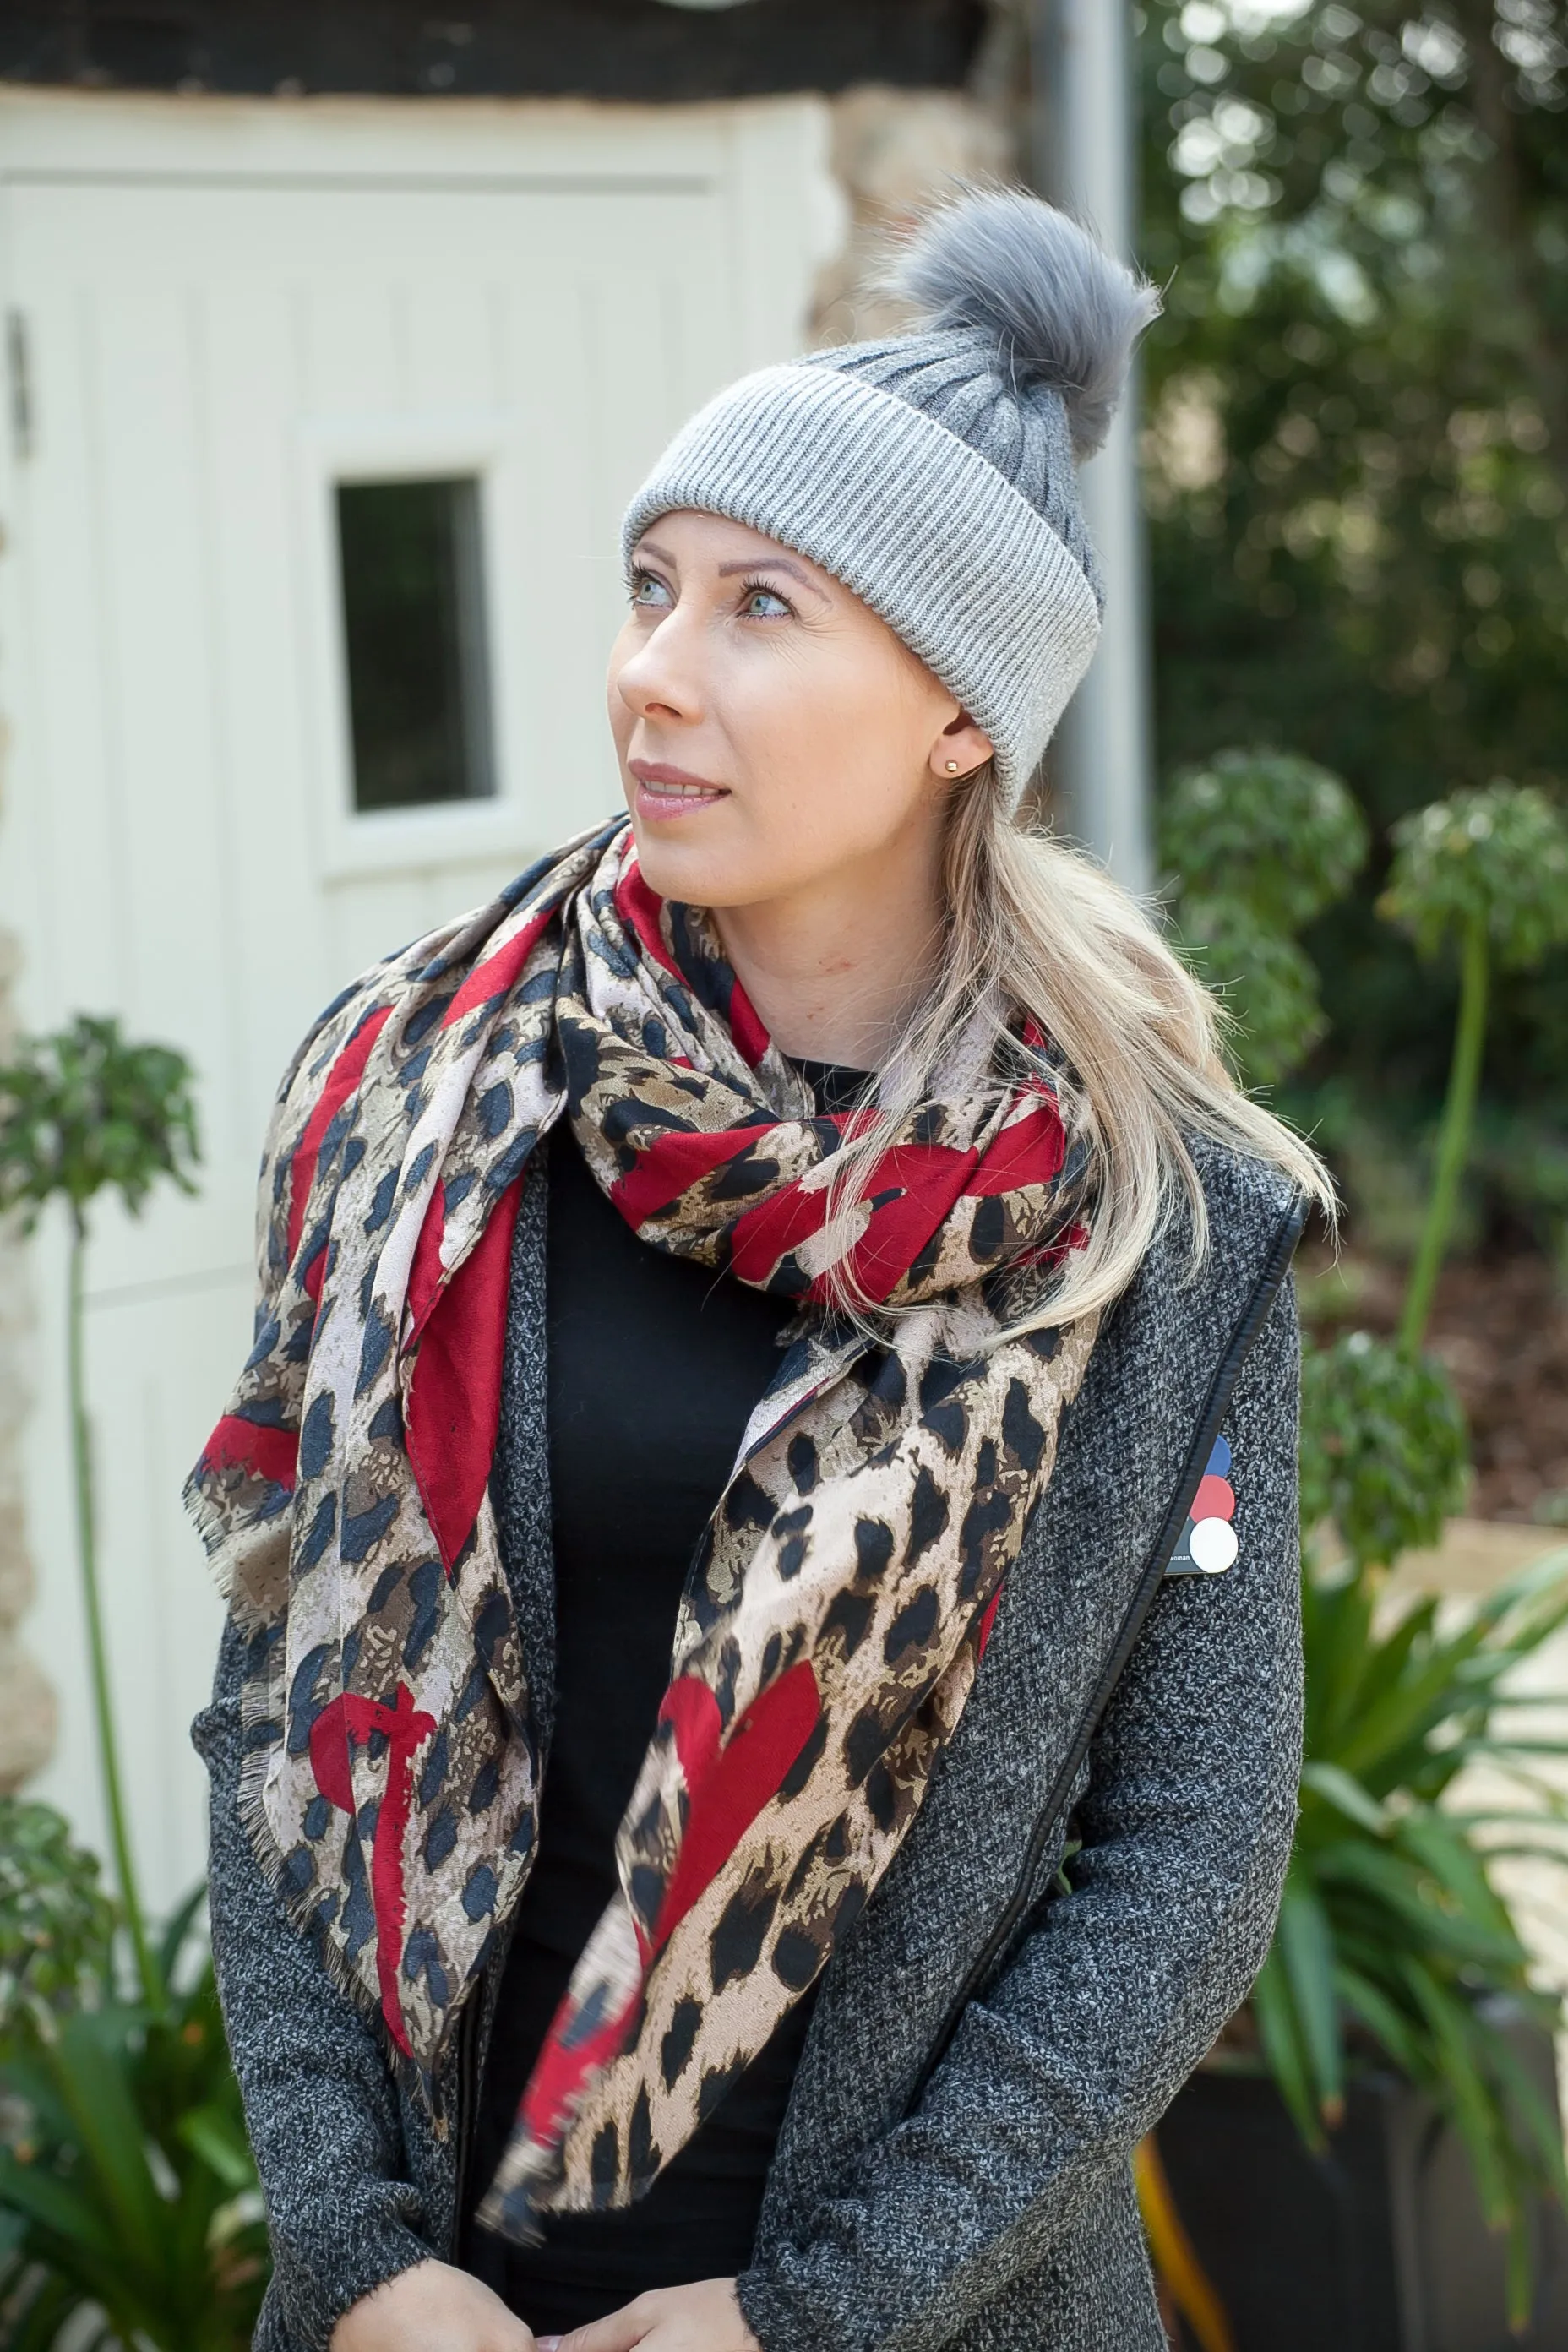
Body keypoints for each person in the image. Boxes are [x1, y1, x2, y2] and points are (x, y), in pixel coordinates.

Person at [188, 187, 1327, 2352]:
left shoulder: (1152, 1225)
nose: (651, 671)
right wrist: (355, 2259)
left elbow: (1187, 1862)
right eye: (649, 588)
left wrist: (809, 2312)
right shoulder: (430, 1102)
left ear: (961, 717)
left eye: (758, 606)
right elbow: (290, 1705)